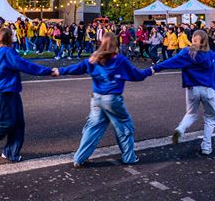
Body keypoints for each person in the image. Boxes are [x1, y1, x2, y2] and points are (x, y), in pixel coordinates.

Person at [53, 32, 152, 167]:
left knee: (93, 128)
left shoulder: (94, 58)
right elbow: (137, 75)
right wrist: (151, 70)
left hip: (96, 98)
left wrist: (60, 71)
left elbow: (77, 68)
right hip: (112, 99)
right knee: (124, 125)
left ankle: (79, 158)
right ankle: (129, 157)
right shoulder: (119, 60)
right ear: (115, 44)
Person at [0, 28, 53, 162]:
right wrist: (48, 71)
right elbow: (25, 65)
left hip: (8, 89)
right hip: (4, 90)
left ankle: (10, 152)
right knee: (6, 123)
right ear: (9, 38)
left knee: (18, 123)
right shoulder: (7, 52)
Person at [152, 30, 215, 155]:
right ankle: (206, 146)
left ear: (192, 39)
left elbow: (171, 62)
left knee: (191, 113)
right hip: (208, 89)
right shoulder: (211, 55)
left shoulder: (187, 53)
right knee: (211, 118)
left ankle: (181, 129)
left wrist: (154, 68)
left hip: (193, 89)